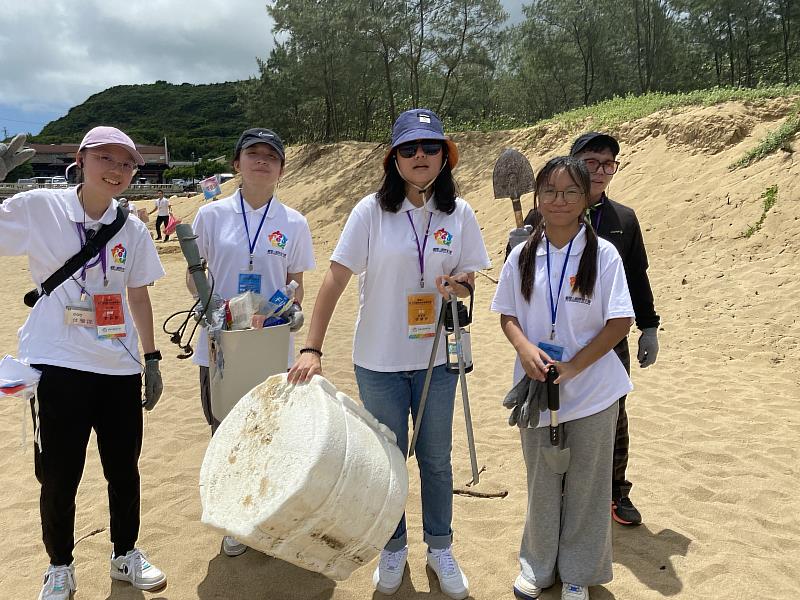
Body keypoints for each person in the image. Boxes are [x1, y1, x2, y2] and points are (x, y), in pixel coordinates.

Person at [288, 108, 490, 600]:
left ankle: (439, 546)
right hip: (378, 360)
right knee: (388, 457)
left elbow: (470, 277)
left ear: (446, 155)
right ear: (393, 159)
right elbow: (335, 278)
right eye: (409, 149)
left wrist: (458, 285)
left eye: (430, 147)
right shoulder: (369, 212)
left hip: (437, 360)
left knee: (436, 460)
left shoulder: (458, 212)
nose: (420, 156)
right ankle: (393, 544)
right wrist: (312, 346)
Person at [0, 126, 167, 600]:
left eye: (127, 163)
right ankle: (59, 566)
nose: (116, 170)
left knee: (123, 467)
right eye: (106, 159)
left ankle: (124, 554)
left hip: (117, 364)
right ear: (82, 159)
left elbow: (137, 294)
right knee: (58, 473)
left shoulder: (132, 228)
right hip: (56, 362)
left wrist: (151, 359)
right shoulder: (39, 207)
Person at [492, 156, 634, 600]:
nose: (560, 200)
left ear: (584, 198)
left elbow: (619, 323)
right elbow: (508, 314)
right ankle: (537, 566)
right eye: (550, 191)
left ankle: (577, 572)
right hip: (538, 388)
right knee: (543, 484)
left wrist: (573, 366)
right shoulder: (522, 253)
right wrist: (524, 348)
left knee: (589, 487)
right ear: (538, 196)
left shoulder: (603, 254)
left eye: (571, 191)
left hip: (592, 391)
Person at [514, 133, 659, 525]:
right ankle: (562, 490)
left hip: (607, 340)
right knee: (555, 416)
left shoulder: (623, 220)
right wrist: (512, 243)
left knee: (612, 418)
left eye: (607, 164)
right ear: (574, 163)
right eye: (591, 162)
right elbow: (521, 279)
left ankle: (615, 492)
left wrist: (649, 327)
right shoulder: (539, 217)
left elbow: (638, 278)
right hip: (552, 343)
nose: (600, 171)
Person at [189, 127, 315, 557]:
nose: (262, 161)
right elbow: (196, 271)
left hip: (270, 344)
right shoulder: (211, 216)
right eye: (252, 154)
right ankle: (232, 515)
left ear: (281, 167)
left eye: (271, 156)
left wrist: (291, 305)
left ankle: (263, 510)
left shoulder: (293, 222)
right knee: (222, 426)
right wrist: (209, 305)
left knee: (270, 430)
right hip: (221, 342)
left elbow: (296, 280)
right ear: (236, 164)